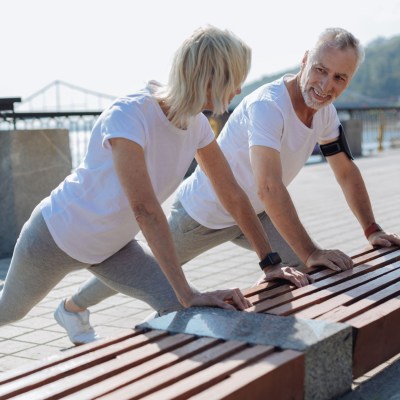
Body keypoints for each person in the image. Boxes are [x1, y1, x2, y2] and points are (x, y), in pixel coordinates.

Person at [55, 27, 400, 345]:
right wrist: (311, 249)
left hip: (256, 215)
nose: (326, 86)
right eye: (321, 70)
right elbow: (268, 185)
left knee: (310, 272)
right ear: (305, 60)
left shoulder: (324, 111)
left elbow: (345, 170)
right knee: (142, 272)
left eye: (340, 78)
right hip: (203, 214)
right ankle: (72, 306)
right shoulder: (269, 106)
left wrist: (371, 228)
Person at [0, 25, 312, 345]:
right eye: (235, 78)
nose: (239, 88)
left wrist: (270, 263)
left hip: (113, 249)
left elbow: (232, 193)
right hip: (56, 236)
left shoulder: (197, 125)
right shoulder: (129, 114)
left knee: (177, 307)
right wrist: (188, 290)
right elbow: (145, 210)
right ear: (211, 76)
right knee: (9, 312)